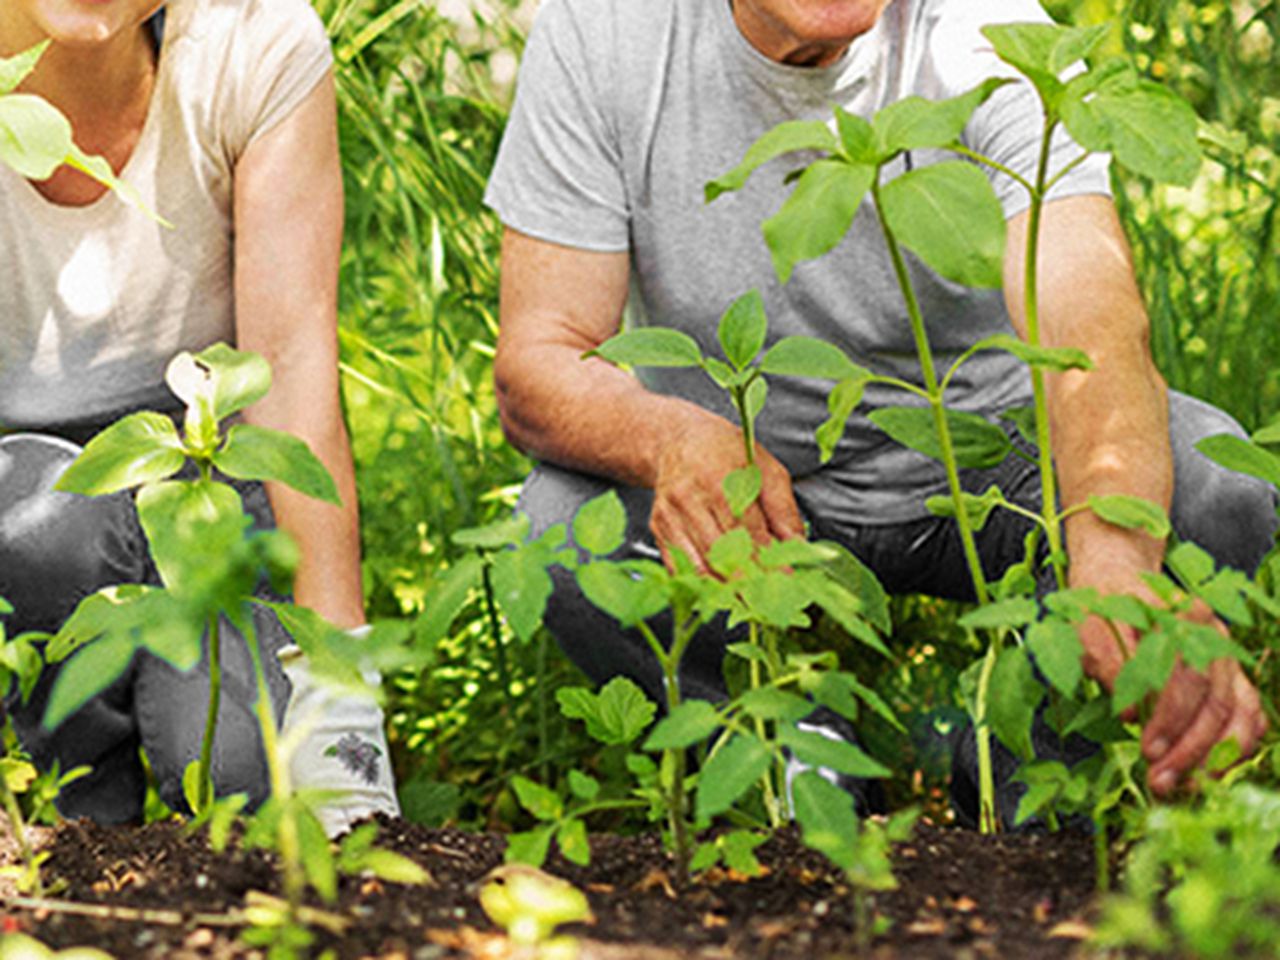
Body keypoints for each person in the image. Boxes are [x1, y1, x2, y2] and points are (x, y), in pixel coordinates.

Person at [485, 0, 1277, 826]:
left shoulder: (987, 30)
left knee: (1211, 476)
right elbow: (541, 356)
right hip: (754, 482)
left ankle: (1041, 805)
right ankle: (792, 770)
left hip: (995, 459)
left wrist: (1116, 561)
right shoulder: (605, 28)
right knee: (563, 529)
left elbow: (1093, 318)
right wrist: (671, 436)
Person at [0, 0, 397, 832]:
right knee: (41, 524)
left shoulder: (252, 43)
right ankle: (65, 835)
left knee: (245, 772)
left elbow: (289, 376)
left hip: (205, 484)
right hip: (13, 507)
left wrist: (342, 704)